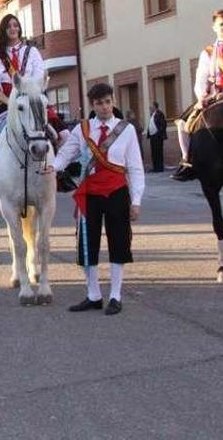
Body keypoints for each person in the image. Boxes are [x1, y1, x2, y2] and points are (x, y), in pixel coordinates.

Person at [47, 83, 145, 315]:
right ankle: (93, 295)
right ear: (93, 105)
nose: (104, 107)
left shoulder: (126, 130)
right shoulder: (82, 129)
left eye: (108, 101)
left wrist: (136, 200)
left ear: (113, 102)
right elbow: (66, 153)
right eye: (99, 103)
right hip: (90, 191)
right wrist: (53, 168)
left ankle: (115, 295)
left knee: (118, 242)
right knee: (87, 244)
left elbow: (135, 167)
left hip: (117, 191)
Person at [172, 9, 223, 181]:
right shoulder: (208, 53)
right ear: (214, 27)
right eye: (222, 24)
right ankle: (188, 161)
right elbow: (201, 78)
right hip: (213, 96)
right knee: (183, 123)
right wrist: (202, 96)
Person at [0, 14, 46, 174]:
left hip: (32, 101)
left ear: (19, 28)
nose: (13, 29)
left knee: (63, 134)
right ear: (3, 31)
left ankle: (59, 172)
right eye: (9, 26)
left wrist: (28, 98)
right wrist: (11, 102)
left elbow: (39, 76)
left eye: (16, 25)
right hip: (6, 102)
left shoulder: (32, 51)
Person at [147, 102, 167, 173]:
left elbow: (163, 124)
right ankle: (155, 167)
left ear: (155, 107)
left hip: (158, 136)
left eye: (151, 106)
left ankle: (159, 168)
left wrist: (158, 133)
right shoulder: (152, 114)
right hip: (152, 136)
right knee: (154, 152)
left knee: (158, 152)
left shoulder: (159, 114)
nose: (150, 108)